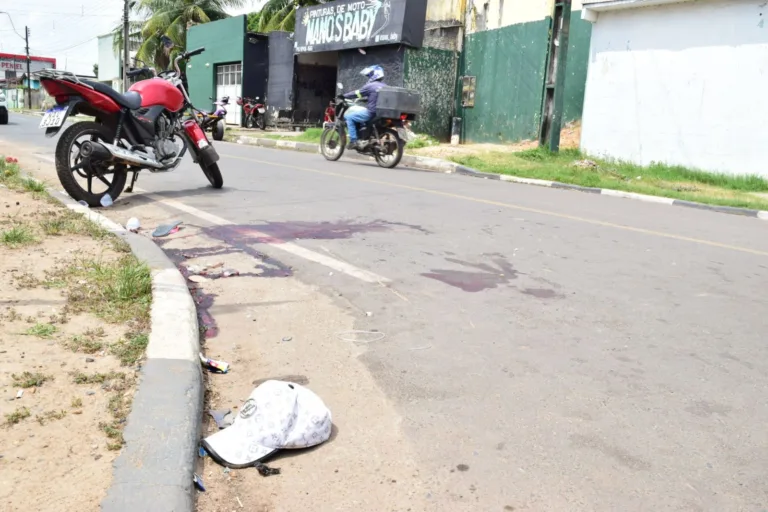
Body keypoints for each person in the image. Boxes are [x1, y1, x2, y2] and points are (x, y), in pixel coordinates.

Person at [341, 65, 387, 149]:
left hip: (371, 112)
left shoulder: (370, 86)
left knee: (349, 117)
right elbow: (376, 97)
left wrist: (344, 96)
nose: (368, 77)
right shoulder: (385, 86)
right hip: (382, 113)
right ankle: (364, 137)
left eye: (369, 75)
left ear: (374, 75)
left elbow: (357, 93)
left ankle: (353, 141)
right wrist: (367, 99)